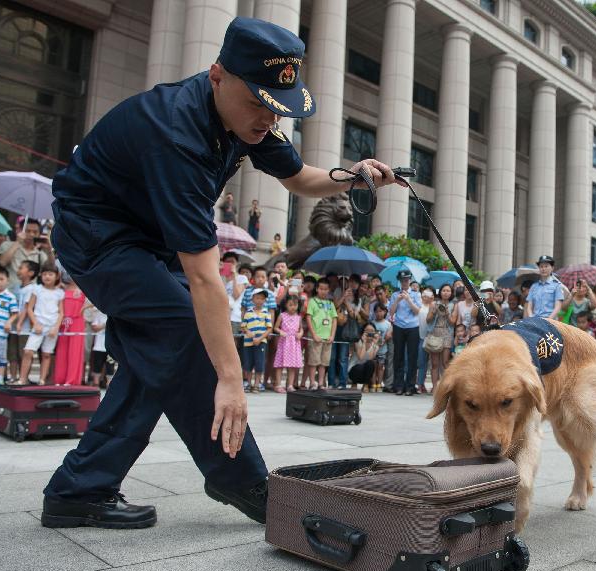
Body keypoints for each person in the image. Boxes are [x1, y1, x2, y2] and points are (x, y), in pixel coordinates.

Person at [41, 17, 404, 528]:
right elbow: (206, 279)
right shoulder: (174, 136)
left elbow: (301, 178)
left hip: (148, 240)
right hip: (98, 235)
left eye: (276, 106)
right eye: (257, 103)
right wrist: (231, 380)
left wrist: (353, 174)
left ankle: (79, 489)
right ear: (217, 76)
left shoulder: (245, 117)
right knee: (184, 331)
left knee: (157, 357)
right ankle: (241, 479)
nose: (266, 118)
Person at [17, 263, 64, 386]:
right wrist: (36, 323)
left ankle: (42, 380)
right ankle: (22, 378)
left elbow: (61, 312)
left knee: (47, 354)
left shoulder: (59, 293)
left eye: (50, 274)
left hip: (52, 327)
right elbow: (30, 308)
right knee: (28, 351)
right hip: (38, 326)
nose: (47, 277)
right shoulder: (37, 289)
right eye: (44, 274)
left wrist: (56, 327)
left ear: (56, 276)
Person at [388, 269, 422, 396]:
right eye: (403, 280)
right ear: (400, 281)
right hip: (399, 326)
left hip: (413, 326)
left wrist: (408, 299)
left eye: (407, 280)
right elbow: (391, 313)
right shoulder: (394, 295)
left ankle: (410, 386)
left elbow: (417, 311)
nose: (405, 282)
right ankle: (399, 386)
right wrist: (397, 300)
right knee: (398, 356)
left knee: (412, 357)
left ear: (410, 280)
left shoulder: (416, 294)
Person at [0, 221, 53, 292]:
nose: (31, 234)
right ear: (20, 231)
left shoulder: (40, 254)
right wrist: (17, 242)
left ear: (39, 234)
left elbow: (51, 269)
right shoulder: (7, 245)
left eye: (35, 232)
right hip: (9, 293)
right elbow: (2, 262)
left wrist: (49, 250)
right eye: (27, 231)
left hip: (30, 296)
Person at [8, 260, 40, 383]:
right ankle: (13, 376)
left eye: (22, 267)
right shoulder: (17, 287)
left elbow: (27, 308)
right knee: (13, 354)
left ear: (31, 273)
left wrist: (19, 323)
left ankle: (24, 377)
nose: (18, 270)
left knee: (23, 354)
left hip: (25, 328)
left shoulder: (32, 288)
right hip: (15, 327)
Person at [54, 272, 87, 386]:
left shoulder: (84, 287)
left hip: (77, 320)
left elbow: (96, 301)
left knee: (75, 350)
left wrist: (83, 309)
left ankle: (71, 380)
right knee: (61, 350)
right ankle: (60, 379)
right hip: (63, 320)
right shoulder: (61, 288)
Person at [306, 278, 337, 391]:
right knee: (314, 361)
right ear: (317, 289)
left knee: (324, 362)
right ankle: (312, 383)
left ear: (329, 290)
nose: (323, 291)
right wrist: (314, 334)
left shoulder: (330, 303)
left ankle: (320, 383)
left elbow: (334, 320)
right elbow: (308, 318)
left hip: (327, 337)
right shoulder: (312, 301)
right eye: (321, 289)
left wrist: (332, 335)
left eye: (325, 289)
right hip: (316, 337)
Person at [242, 288, 273, 393]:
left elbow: (269, 328)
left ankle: (256, 384)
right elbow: (243, 326)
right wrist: (247, 332)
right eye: (257, 298)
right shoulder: (248, 313)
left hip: (261, 342)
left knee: (259, 364)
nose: (259, 300)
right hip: (248, 343)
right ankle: (249, 384)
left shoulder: (266, 313)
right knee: (248, 363)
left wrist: (260, 338)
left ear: (265, 301)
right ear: (253, 299)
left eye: (262, 299)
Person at [426, 284, 455, 390]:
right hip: (435, 333)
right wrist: (434, 311)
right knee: (434, 363)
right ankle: (434, 387)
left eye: (448, 291)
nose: (446, 292)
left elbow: (453, 322)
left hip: (447, 334)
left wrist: (447, 313)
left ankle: (446, 387)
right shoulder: (434, 304)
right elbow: (428, 320)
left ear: (451, 293)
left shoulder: (453, 305)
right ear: (440, 292)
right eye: (444, 290)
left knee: (445, 362)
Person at [272, 295, 303, 393]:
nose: (293, 307)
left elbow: (301, 328)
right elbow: (275, 327)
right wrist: (280, 331)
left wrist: (300, 333)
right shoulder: (282, 315)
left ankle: (290, 385)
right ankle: (278, 385)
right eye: (290, 305)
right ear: (286, 305)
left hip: (294, 343)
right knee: (280, 364)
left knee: (292, 366)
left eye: (295, 305)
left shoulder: (299, 317)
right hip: (284, 343)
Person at [525, 255, 563, 320]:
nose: (543, 269)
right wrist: (532, 318)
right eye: (541, 266)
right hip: (535, 320)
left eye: (546, 266)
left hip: (551, 321)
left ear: (552, 268)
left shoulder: (557, 285)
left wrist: (548, 320)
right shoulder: (534, 286)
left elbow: (558, 307)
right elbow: (529, 306)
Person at [348, 322, 380, 391]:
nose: (369, 333)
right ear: (363, 331)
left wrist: (374, 343)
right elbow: (361, 357)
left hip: (365, 372)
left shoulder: (375, 345)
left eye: (372, 331)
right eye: (367, 331)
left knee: (371, 364)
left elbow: (371, 358)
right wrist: (364, 342)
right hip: (354, 371)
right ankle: (354, 383)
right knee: (359, 367)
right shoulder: (358, 341)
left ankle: (365, 385)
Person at [87, 303, 110, 388]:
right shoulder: (98, 313)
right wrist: (105, 324)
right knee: (97, 365)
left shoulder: (115, 316)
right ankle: (96, 384)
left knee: (110, 366)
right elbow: (95, 328)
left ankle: (109, 384)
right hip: (98, 346)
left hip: (110, 347)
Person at [371, 303, 391, 391]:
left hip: (383, 350)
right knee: (373, 367)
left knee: (381, 367)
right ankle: (373, 384)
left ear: (385, 312)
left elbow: (388, 336)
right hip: (372, 350)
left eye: (380, 311)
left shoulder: (388, 324)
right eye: (376, 311)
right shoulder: (372, 323)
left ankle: (379, 383)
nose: (378, 313)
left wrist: (384, 340)